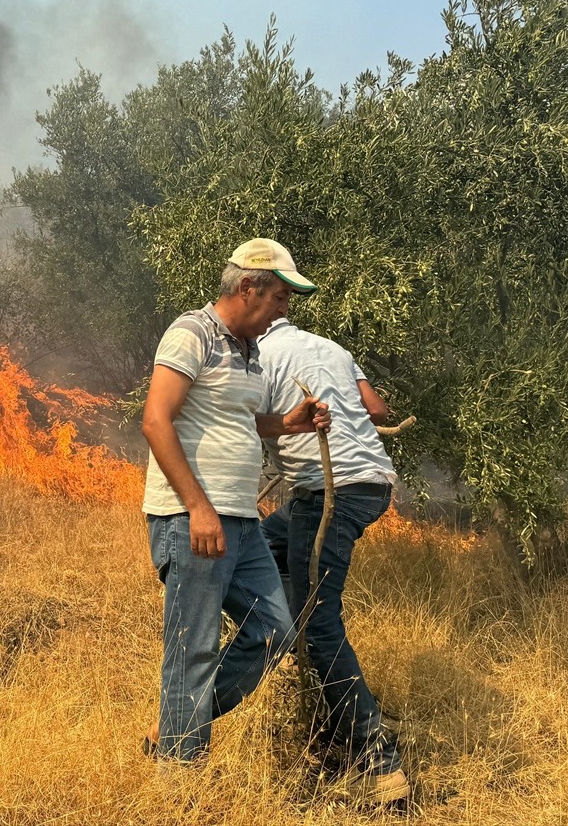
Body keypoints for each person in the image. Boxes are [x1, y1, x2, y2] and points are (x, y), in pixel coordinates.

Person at [142, 237, 327, 763]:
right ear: (249, 287)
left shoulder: (250, 352)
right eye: (280, 299)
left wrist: (289, 423)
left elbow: (242, 421)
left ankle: (177, 726)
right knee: (194, 650)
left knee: (274, 633)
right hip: (193, 517)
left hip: (243, 520)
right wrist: (199, 508)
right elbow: (156, 419)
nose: (284, 311)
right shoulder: (191, 332)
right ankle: (179, 775)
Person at [257, 317, 409, 805]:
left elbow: (246, 418)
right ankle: (298, 654)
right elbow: (376, 407)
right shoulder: (333, 348)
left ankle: (377, 758)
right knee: (268, 540)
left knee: (317, 621)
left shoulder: (260, 356)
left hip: (331, 490)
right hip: (372, 483)